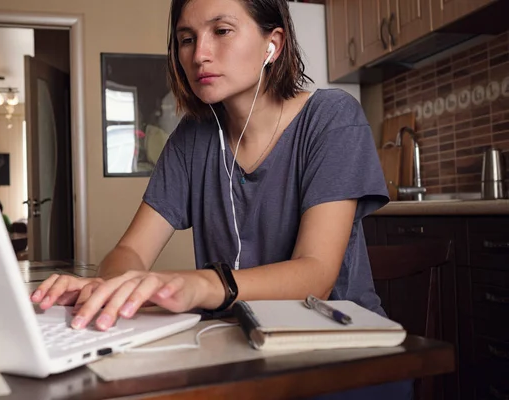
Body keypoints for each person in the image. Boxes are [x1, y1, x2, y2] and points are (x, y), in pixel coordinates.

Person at [32, 0, 412, 397]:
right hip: (239, 352)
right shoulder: (192, 138)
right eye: (186, 39)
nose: (199, 54)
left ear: (273, 44)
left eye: (222, 31)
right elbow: (129, 250)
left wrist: (198, 286)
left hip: (344, 358)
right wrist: (113, 291)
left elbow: (315, 274)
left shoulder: (332, 118)